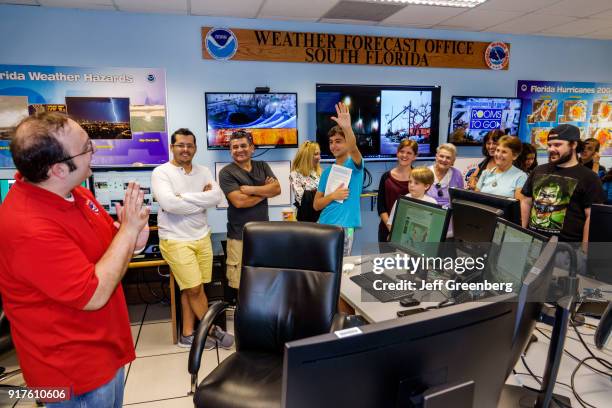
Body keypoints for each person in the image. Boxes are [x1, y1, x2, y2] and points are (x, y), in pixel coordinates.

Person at [0, 112, 149, 407]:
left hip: (104, 351)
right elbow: (93, 294)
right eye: (86, 147)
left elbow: (109, 249)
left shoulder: (76, 193)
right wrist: (128, 232)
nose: (94, 150)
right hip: (71, 374)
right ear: (57, 169)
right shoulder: (29, 228)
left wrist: (132, 239)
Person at [151, 128, 233, 350]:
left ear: (195, 148)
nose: (185, 149)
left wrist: (184, 197)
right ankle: (213, 330)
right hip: (175, 239)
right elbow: (169, 205)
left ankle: (187, 334)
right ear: (172, 147)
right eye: (180, 145)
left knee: (193, 288)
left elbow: (216, 197)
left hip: (201, 236)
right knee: (195, 289)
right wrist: (200, 199)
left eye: (189, 145)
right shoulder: (161, 172)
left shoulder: (204, 171)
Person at [521, 124, 604, 245]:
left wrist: (584, 251)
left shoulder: (589, 177)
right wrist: (523, 232)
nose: (551, 149)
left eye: (557, 145)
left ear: (574, 145)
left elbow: (591, 216)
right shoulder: (538, 170)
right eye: (549, 145)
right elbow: (526, 201)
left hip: (566, 250)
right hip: (534, 243)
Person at [219, 130, 281, 289]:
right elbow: (239, 202)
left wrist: (252, 190)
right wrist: (264, 191)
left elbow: (277, 189)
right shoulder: (226, 172)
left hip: (262, 235)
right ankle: (243, 314)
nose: (239, 150)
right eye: (235, 147)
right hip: (239, 236)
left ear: (252, 148)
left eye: (243, 146)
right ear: (230, 151)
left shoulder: (262, 166)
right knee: (240, 285)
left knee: (263, 281)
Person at [314, 102, 364, 256]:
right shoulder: (326, 172)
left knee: (340, 271)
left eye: (338, 141)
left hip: (343, 228)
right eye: (331, 142)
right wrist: (333, 196)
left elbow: (354, 148)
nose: (333, 146)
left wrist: (347, 128)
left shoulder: (355, 165)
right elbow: (316, 205)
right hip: (322, 226)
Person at [376, 139, 418, 242]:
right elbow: (381, 208)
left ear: (415, 156)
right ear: (397, 153)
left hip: (411, 234)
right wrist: (392, 229)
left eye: (409, 153)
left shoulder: (419, 178)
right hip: (387, 230)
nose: (404, 155)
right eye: (402, 151)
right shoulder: (386, 177)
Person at [289, 140, 322, 222]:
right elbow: (303, 200)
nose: (319, 157)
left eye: (319, 154)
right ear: (307, 156)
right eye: (316, 154)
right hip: (306, 221)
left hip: (323, 219)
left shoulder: (320, 173)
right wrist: (319, 194)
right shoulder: (295, 174)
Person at [426, 143, 464, 208]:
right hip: (428, 209)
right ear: (436, 157)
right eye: (441, 156)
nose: (444, 160)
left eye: (448, 158)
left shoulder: (457, 174)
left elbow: (460, 198)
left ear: (453, 161)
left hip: (449, 212)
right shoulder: (425, 172)